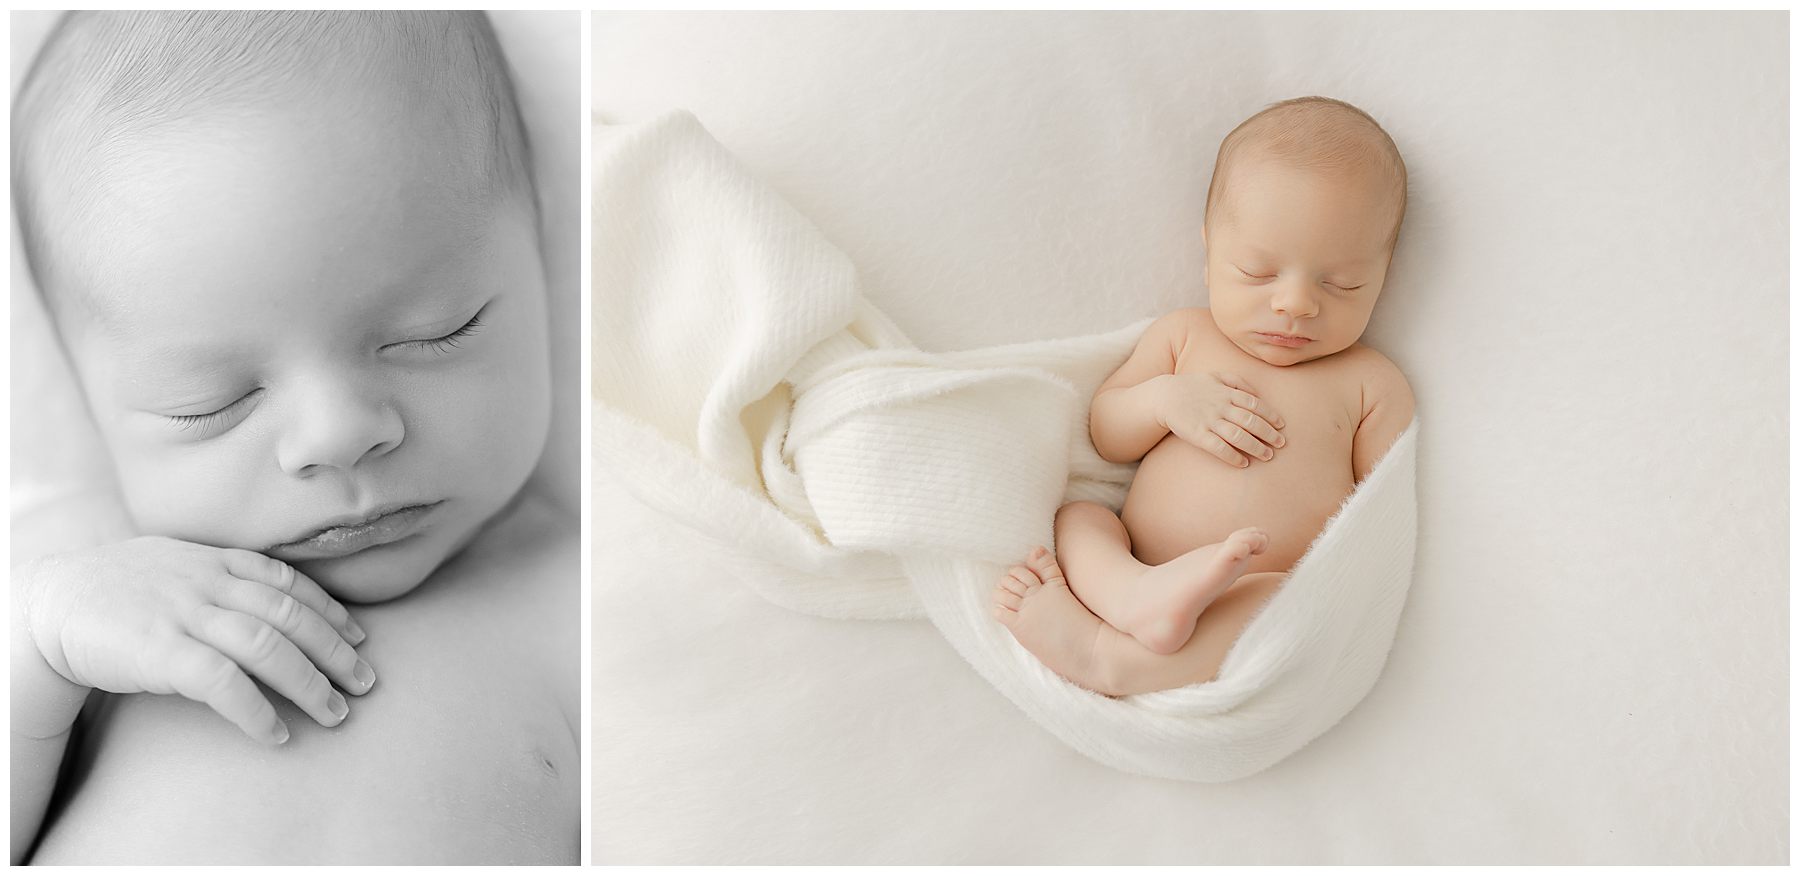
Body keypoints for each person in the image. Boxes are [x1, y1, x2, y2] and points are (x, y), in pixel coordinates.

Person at [10, 11, 577, 863]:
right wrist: (32, 657)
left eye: (435, 331)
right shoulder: (81, 590)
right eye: (211, 403)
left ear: (539, 254)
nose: (336, 435)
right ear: (94, 411)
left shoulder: (581, 597)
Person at [993, 96, 1416, 697]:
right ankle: (1131, 596)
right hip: (1140, 560)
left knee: (1285, 601)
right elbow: (1108, 435)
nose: (1295, 303)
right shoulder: (1185, 337)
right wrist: (1165, 401)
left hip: (1258, 578)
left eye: (1342, 282)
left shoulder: (1372, 382)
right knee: (1082, 519)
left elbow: (1380, 518)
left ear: (1384, 273)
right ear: (1209, 249)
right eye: (1257, 272)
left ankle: (1106, 656)